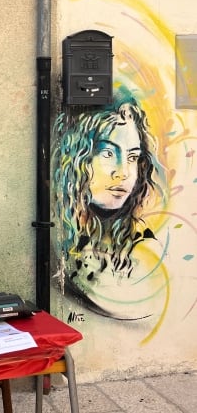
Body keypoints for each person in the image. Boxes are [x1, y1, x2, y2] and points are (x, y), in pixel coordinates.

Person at [52, 91, 167, 318]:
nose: (123, 172)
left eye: (132, 157)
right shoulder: (58, 242)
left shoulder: (135, 246)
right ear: (77, 158)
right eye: (107, 153)